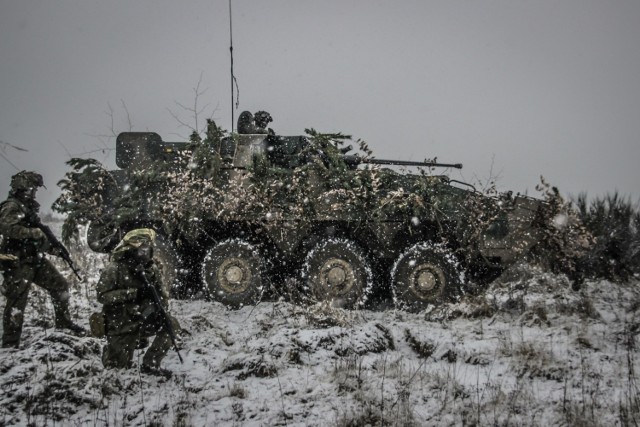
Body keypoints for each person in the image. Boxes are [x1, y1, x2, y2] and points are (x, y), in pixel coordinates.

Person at [0, 171, 85, 348]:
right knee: (17, 303)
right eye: (33, 189)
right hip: (17, 262)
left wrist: (55, 250)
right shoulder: (11, 206)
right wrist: (33, 232)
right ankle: (10, 343)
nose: (35, 193)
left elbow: (38, 240)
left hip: (34, 259)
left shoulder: (28, 208)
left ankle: (63, 323)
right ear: (23, 188)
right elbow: (7, 229)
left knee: (60, 285)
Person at [96, 228, 179, 378]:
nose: (144, 253)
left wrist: (157, 309)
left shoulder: (151, 270)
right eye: (141, 249)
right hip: (121, 324)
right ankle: (111, 350)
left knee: (170, 324)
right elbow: (102, 296)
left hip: (143, 319)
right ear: (131, 250)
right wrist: (132, 294)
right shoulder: (115, 269)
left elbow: (162, 296)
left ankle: (150, 364)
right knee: (118, 368)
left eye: (147, 249)